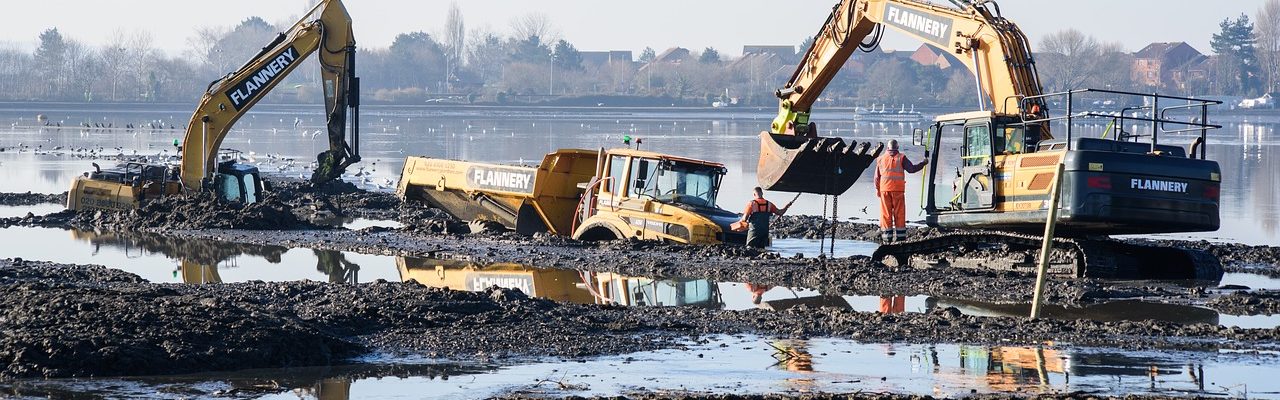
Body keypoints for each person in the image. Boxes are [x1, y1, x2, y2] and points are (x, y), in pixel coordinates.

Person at [874, 139, 928, 242]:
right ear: (897, 148)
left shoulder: (880, 159)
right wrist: (923, 163)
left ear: (887, 148)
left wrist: (878, 190)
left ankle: (887, 239)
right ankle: (900, 238)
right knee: (899, 213)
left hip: (884, 190)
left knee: (886, 214)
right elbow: (911, 169)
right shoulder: (901, 158)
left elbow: (876, 178)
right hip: (898, 190)